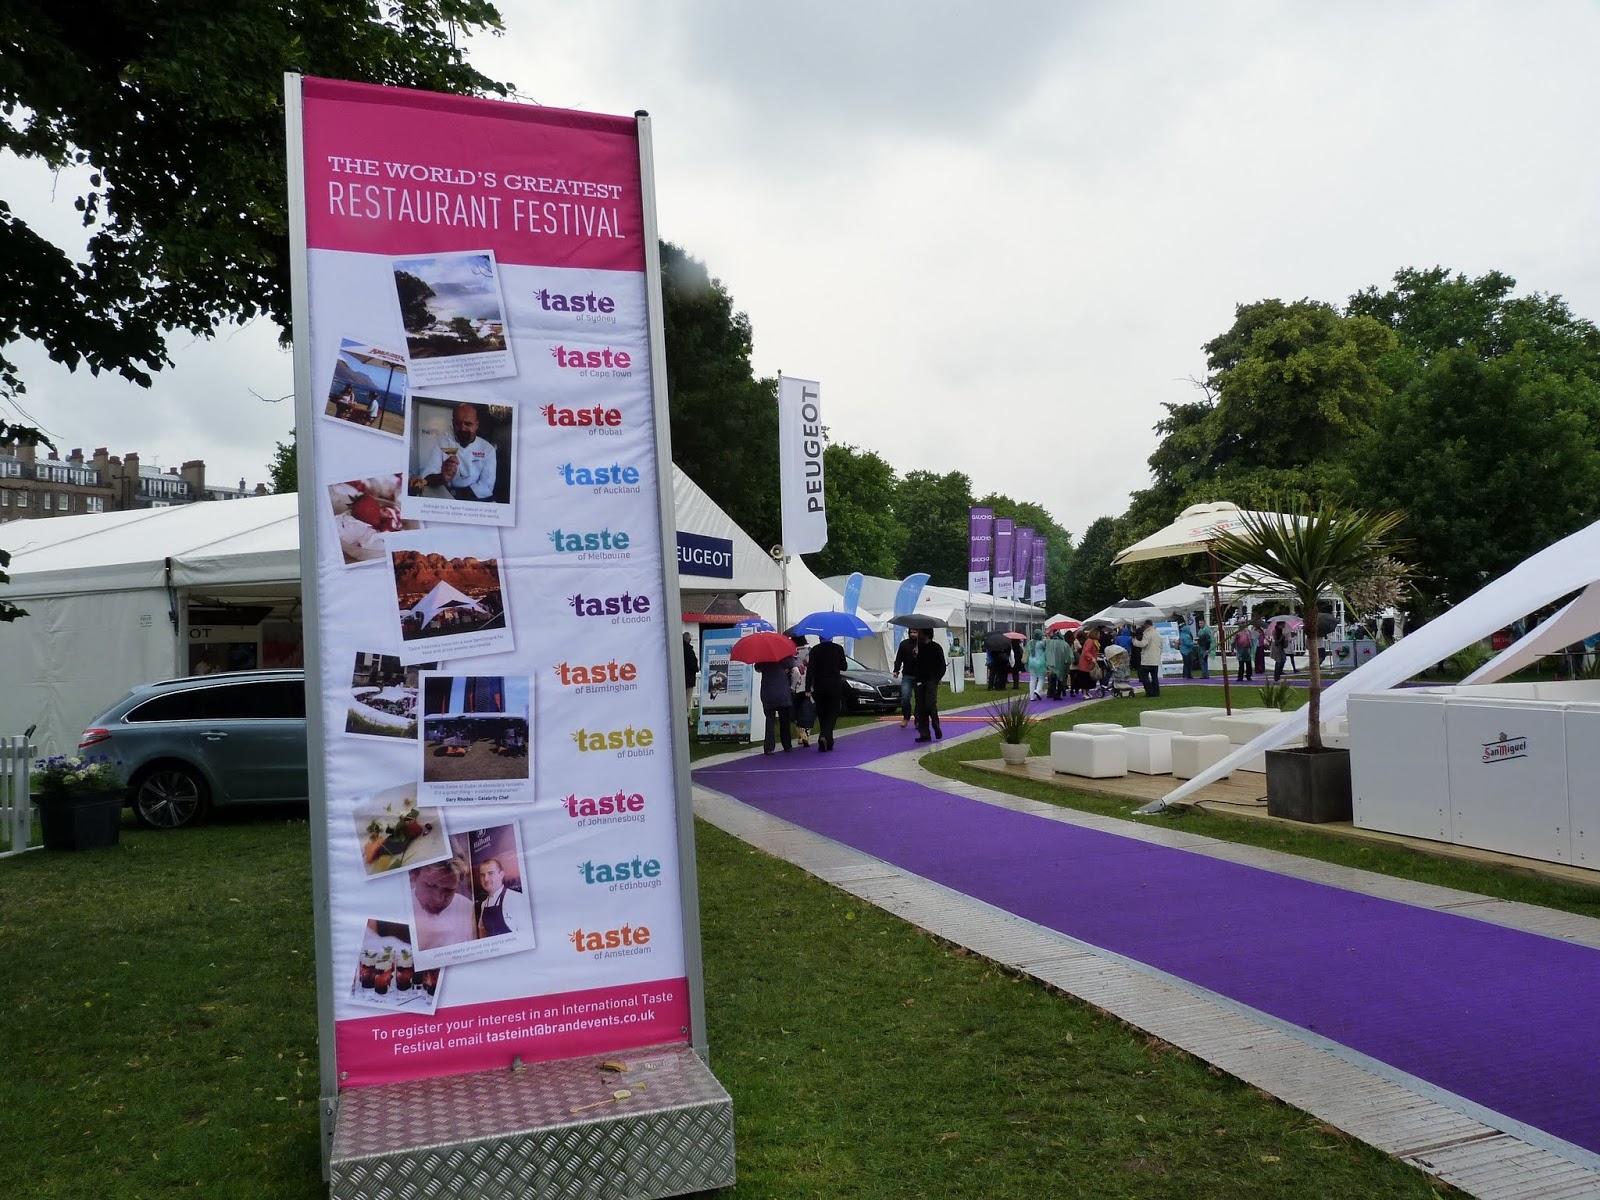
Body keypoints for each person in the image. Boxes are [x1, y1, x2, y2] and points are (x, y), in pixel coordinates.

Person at [421, 403, 497, 501]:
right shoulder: (443, 443)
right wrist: (441, 477)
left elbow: (486, 486)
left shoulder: (487, 449)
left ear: (476, 425)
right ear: (453, 423)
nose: (462, 428)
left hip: (474, 498)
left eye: (468, 424)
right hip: (446, 496)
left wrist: (456, 495)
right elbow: (426, 477)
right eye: (458, 424)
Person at [410, 858, 476, 950]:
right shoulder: (398, 909)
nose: (439, 899)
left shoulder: (468, 908)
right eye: (431, 886)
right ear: (414, 875)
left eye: (449, 890)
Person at [807, 634, 848, 752]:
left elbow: (810, 669)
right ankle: (825, 736)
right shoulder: (838, 649)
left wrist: (808, 687)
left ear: (819, 638)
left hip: (819, 684)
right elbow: (844, 667)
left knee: (822, 712)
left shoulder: (815, 650)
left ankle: (828, 740)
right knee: (833, 711)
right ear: (832, 638)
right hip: (834, 684)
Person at [755, 654, 796, 755]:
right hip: (783, 692)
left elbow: (758, 669)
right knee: (784, 720)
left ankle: (769, 747)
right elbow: (796, 672)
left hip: (767, 692)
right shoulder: (786, 656)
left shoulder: (763, 657)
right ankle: (787, 745)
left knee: (770, 720)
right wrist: (792, 686)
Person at [475, 858, 524, 938]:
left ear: (501, 875)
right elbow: (482, 930)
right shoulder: (484, 904)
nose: (486, 879)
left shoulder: (516, 898)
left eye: (490, 873)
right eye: (482, 875)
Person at [912, 628, 946, 742]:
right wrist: (915, 656)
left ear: (926, 634)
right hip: (919, 680)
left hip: (931, 680)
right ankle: (924, 733)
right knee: (920, 707)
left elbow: (942, 665)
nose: (918, 635)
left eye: (920, 632)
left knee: (930, 704)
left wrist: (937, 678)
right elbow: (914, 665)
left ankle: (936, 725)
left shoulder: (936, 648)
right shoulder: (917, 648)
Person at [789, 635, 816, 747]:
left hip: (796, 686)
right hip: (809, 685)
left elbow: (793, 670)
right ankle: (807, 733)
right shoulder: (809, 651)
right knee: (809, 710)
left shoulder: (792, 653)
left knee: (797, 710)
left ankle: (800, 735)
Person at [892, 631, 919, 728]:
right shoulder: (904, 644)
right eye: (911, 632)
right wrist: (896, 670)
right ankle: (906, 716)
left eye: (915, 632)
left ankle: (918, 718)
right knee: (905, 697)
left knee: (919, 699)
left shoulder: (923, 644)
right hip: (907, 674)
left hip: (920, 675)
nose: (913, 634)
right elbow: (899, 658)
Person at [1135, 619, 1163, 697]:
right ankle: (1156, 692)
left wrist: (1135, 642)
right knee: (1154, 677)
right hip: (1155, 659)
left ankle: (1149, 692)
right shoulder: (1158, 634)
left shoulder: (1147, 634)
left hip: (1147, 660)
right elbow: (1161, 647)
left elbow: (1143, 644)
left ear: (1147, 625)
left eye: (1144, 625)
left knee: (1144, 677)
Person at [1075, 628, 1101, 696]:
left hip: (1090, 663)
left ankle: (1087, 692)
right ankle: (1085, 692)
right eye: (1098, 634)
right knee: (1086, 678)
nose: (1099, 635)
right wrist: (1092, 658)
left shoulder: (1094, 641)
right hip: (1086, 663)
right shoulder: (1090, 641)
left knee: (1089, 678)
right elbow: (1086, 651)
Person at [1044, 630, 1069, 700]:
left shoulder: (1049, 643)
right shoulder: (1064, 644)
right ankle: (1058, 693)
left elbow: (1046, 653)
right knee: (1061, 680)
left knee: (1052, 679)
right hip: (1061, 664)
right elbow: (1068, 655)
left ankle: (1053, 693)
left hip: (1051, 663)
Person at [1027, 630, 1047, 700]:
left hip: (1031, 662)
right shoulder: (1041, 643)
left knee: (1032, 679)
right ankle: (1038, 690)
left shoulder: (1029, 643)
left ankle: (1031, 696)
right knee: (1041, 678)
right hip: (1040, 662)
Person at [682, 633, 699, 714]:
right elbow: (692, 664)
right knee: (687, 700)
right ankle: (687, 717)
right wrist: (696, 668)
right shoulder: (689, 650)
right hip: (689, 679)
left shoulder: (679, 648)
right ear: (689, 640)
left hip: (681, 678)